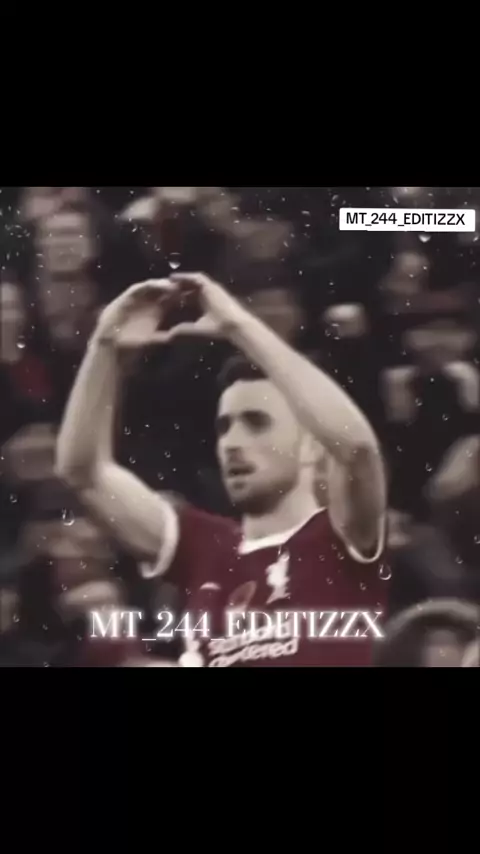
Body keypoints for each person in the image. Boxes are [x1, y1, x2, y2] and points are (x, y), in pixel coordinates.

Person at [56, 273, 389, 667]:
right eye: (224, 426)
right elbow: (83, 471)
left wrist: (239, 326)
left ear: (312, 446)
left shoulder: (339, 535)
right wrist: (104, 347)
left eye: (256, 423)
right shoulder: (202, 545)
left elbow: (356, 449)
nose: (232, 442)